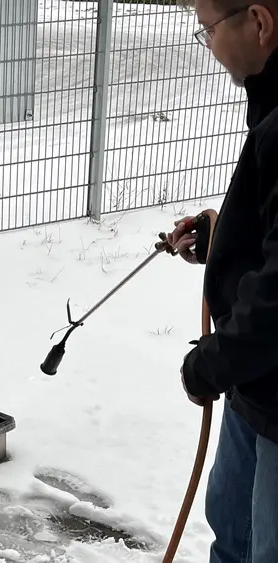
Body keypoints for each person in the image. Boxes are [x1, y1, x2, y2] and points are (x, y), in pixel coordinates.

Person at [167, 1, 278, 562]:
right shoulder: (270, 106)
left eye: (208, 29)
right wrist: (224, 240)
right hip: (254, 384)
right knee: (233, 536)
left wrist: (210, 365)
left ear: (259, 23)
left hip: (270, 389)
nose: (208, 45)